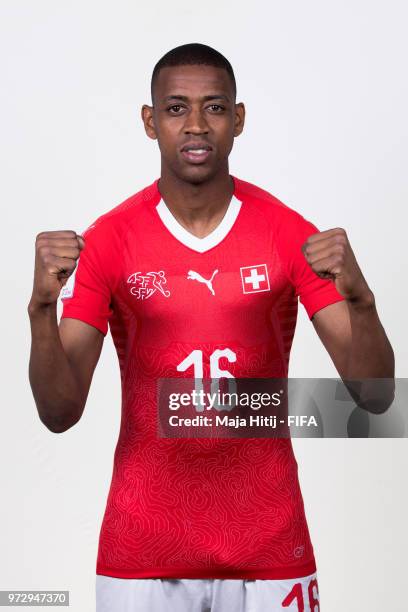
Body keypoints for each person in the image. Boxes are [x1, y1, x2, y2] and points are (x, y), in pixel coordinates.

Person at [27, 43, 395, 611]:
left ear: (238, 119)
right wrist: (40, 313)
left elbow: (374, 399)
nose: (196, 125)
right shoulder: (111, 240)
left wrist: (363, 301)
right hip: (141, 549)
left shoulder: (286, 231)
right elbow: (59, 413)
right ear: (150, 122)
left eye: (214, 108)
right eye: (176, 108)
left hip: (271, 544)